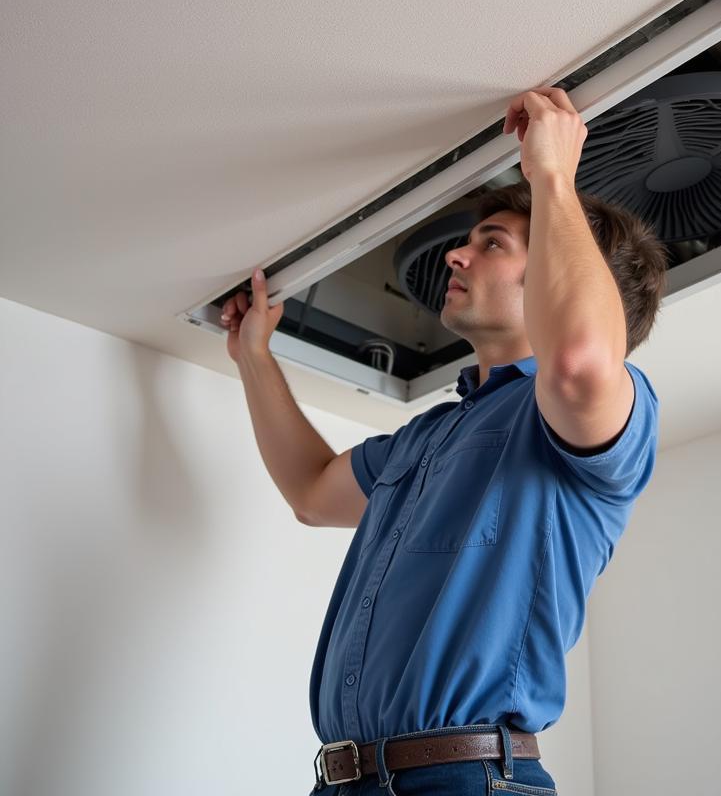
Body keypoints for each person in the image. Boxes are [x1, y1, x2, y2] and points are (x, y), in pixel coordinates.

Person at [221, 87, 668, 794]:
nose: (456, 255)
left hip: (466, 780)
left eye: (492, 244)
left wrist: (553, 178)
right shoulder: (427, 436)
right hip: (343, 781)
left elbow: (580, 361)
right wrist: (254, 359)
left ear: (561, 269)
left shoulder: (599, 416)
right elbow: (311, 492)